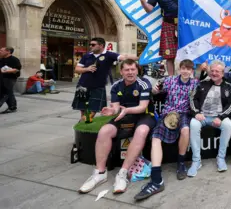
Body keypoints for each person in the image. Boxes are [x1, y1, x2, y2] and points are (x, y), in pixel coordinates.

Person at [78, 60, 156, 194]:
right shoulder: (116, 86)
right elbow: (115, 107)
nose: (130, 72)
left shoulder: (144, 84)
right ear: (121, 72)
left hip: (144, 116)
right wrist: (111, 111)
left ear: (137, 71)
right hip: (124, 115)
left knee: (141, 131)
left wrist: (125, 110)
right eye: (127, 70)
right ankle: (100, 173)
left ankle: (123, 173)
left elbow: (142, 107)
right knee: (104, 131)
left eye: (133, 69)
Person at [133, 59, 198, 201]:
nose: (186, 71)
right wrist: (155, 90)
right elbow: (156, 92)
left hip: (184, 114)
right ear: (179, 69)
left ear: (192, 71)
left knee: (186, 130)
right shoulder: (169, 81)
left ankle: (181, 163)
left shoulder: (195, 83)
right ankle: (156, 178)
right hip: (168, 113)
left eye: (189, 69)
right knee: (156, 137)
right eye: (183, 68)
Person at [187, 60, 231, 177]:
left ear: (223, 73)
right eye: (212, 71)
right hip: (202, 116)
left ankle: (221, 158)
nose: (214, 73)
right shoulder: (202, 83)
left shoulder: (228, 86)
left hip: (218, 117)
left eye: (217, 71)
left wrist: (221, 117)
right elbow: (192, 99)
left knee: (228, 125)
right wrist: (196, 113)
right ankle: (196, 161)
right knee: (193, 124)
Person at [72, 38, 137, 121]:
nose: (90, 46)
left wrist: (141, 58)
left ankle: (83, 124)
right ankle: (83, 128)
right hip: (83, 86)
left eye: (93, 44)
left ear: (101, 45)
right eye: (90, 44)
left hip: (98, 87)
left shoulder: (109, 55)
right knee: (83, 109)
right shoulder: (87, 56)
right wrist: (87, 69)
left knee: (92, 110)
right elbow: (77, 69)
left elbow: (124, 57)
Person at [138, 0, 179, 77]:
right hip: (168, 24)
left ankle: (187, 78)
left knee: (188, 51)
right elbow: (149, 9)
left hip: (183, 24)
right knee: (169, 55)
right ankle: (171, 79)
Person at [0, 47, 22, 114]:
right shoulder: (1, 59)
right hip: (2, 77)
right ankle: (12, 106)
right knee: (8, 92)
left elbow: (17, 69)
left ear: (8, 52)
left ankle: (12, 107)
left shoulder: (14, 59)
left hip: (10, 78)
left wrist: (7, 71)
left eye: (1, 50)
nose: (0, 51)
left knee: (6, 92)